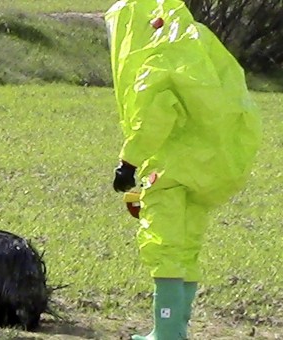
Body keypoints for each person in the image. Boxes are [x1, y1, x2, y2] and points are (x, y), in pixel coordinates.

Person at [104, 1, 262, 339]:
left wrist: (128, 162)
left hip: (171, 169)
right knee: (188, 246)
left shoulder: (157, 58)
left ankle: (167, 331)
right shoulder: (198, 42)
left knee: (163, 245)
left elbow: (156, 115)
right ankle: (176, 328)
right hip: (212, 166)